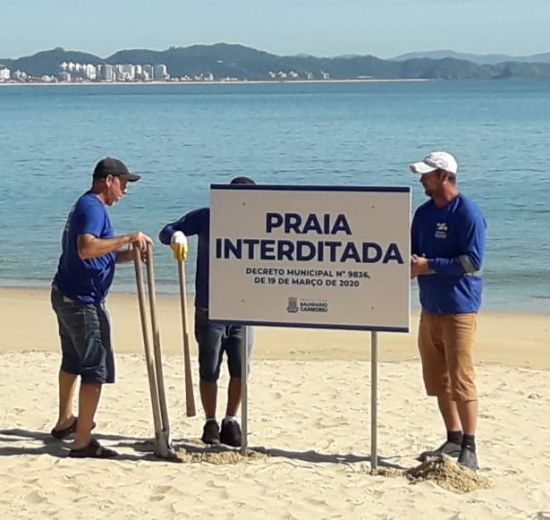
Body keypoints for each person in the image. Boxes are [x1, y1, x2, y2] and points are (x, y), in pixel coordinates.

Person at [50, 157, 152, 458]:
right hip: (82, 302)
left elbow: (97, 253)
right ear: (109, 180)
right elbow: (86, 248)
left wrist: (128, 255)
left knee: (72, 360)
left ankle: (65, 420)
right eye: (123, 184)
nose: (124, 191)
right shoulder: (92, 206)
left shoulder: (87, 206)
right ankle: (82, 441)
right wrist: (128, 237)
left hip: (66, 293)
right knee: (95, 367)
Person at [159, 176, 255, 447]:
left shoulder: (259, 220)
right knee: (209, 369)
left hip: (244, 309)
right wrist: (175, 236)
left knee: (240, 370)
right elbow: (168, 229)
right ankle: (210, 421)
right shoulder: (206, 218)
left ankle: (230, 420)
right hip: (209, 307)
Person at [409, 151, 486, 471]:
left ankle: (470, 445)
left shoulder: (467, 213)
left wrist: (430, 266)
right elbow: (413, 253)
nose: (421, 179)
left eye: (426, 174)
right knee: (438, 378)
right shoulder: (423, 213)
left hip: (459, 309)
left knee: (461, 378)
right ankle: (452, 437)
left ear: (444, 176)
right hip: (430, 307)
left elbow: (472, 262)